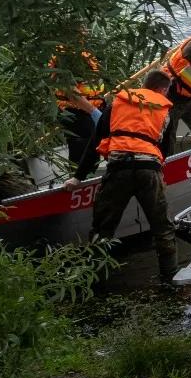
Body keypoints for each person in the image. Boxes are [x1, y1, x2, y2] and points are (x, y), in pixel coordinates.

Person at [63, 70, 178, 282]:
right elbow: (166, 149)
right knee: (162, 228)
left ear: (144, 85)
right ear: (163, 90)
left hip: (118, 169)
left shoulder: (117, 103)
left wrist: (77, 178)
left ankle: (95, 279)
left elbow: (95, 144)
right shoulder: (165, 110)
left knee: (102, 229)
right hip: (149, 171)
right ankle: (170, 278)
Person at [50, 45, 107, 161]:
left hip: (90, 110)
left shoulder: (83, 52)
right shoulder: (67, 56)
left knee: (93, 154)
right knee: (83, 155)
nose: (85, 29)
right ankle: (77, 178)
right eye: (82, 27)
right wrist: (94, 112)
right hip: (78, 113)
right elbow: (71, 91)